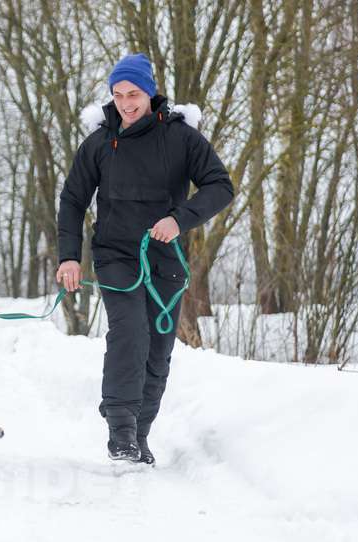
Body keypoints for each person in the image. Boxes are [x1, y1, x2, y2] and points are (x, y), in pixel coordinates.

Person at [56, 53, 234, 464]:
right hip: (116, 253)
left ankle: (140, 431)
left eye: (133, 94)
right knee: (130, 331)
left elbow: (220, 186)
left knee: (158, 346)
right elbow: (72, 199)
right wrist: (69, 257)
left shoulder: (181, 138)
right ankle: (120, 431)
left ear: (150, 93)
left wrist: (179, 218)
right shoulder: (100, 142)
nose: (125, 103)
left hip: (166, 257)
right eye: (117, 95)